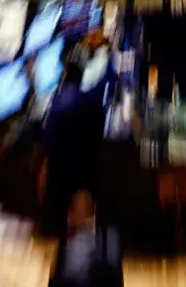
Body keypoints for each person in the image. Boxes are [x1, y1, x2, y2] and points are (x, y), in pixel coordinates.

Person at [43, 58, 105, 230]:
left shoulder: (57, 103)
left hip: (63, 167)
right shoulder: (93, 102)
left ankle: (55, 226)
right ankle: (83, 227)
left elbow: (47, 139)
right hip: (88, 164)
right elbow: (100, 131)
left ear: (64, 79)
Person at [49, 191, 123, 287]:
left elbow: (114, 277)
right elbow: (55, 280)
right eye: (78, 209)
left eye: (86, 209)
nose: (82, 216)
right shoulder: (63, 244)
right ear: (70, 215)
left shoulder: (108, 238)